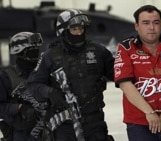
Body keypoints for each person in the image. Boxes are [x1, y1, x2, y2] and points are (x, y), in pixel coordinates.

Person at [27, 9, 115, 141]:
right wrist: (50, 92)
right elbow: (33, 86)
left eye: (81, 29)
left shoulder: (98, 51)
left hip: (95, 123)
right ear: (63, 32)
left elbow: (119, 74)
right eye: (74, 30)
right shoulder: (49, 56)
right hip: (65, 126)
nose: (79, 33)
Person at [114, 5, 161, 141]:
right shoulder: (126, 48)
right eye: (146, 23)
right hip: (139, 121)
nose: (151, 27)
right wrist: (149, 113)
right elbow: (125, 85)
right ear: (136, 26)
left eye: (156, 22)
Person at [0, 31, 43, 141]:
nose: (36, 56)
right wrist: (19, 107)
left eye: (37, 51)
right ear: (20, 52)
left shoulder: (43, 74)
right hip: (20, 133)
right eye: (32, 52)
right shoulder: (6, 77)